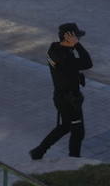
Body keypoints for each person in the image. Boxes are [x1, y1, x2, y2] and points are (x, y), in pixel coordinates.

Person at [30, 22, 93, 159]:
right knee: (78, 131)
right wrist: (77, 45)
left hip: (61, 97)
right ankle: (73, 160)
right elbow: (88, 63)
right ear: (69, 38)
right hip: (70, 100)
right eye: (76, 38)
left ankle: (38, 151)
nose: (79, 40)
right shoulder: (65, 58)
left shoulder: (54, 49)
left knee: (65, 127)